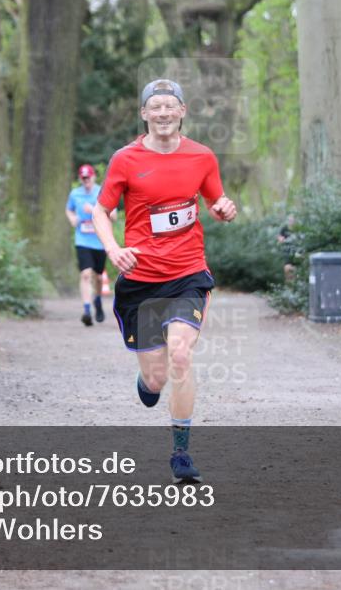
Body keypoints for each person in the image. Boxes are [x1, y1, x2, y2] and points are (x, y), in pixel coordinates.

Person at [91, 79, 237, 482]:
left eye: (170, 106)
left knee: (181, 355)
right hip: (140, 279)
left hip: (187, 274)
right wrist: (112, 249)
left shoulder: (202, 157)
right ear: (144, 115)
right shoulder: (125, 159)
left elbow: (216, 203)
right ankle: (146, 382)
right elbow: (101, 212)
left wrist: (225, 209)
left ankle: (181, 454)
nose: (163, 113)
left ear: (182, 111)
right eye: (155, 107)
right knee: (156, 378)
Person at [65, 164, 116, 326]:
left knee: (98, 277)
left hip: (100, 240)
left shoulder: (101, 192)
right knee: (86, 274)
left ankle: (98, 300)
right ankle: (87, 310)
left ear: (94, 177)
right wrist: (72, 218)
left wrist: (94, 210)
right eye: (83, 178)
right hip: (83, 240)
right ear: (80, 179)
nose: (86, 181)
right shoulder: (75, 194)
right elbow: (69, 210)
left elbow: (113, 216)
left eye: (88, 177)